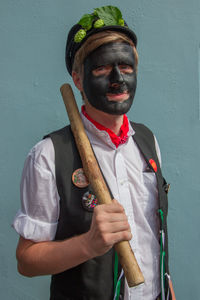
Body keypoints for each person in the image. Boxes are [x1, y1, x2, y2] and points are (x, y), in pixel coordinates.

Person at [13, 5, 175, 300]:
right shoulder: (48, 155)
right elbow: (26, 260)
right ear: (77, 79)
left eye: (126, 68)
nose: (118, 79)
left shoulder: (148, 142)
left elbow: (154, 237)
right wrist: (88, 244)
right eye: (101, 68)